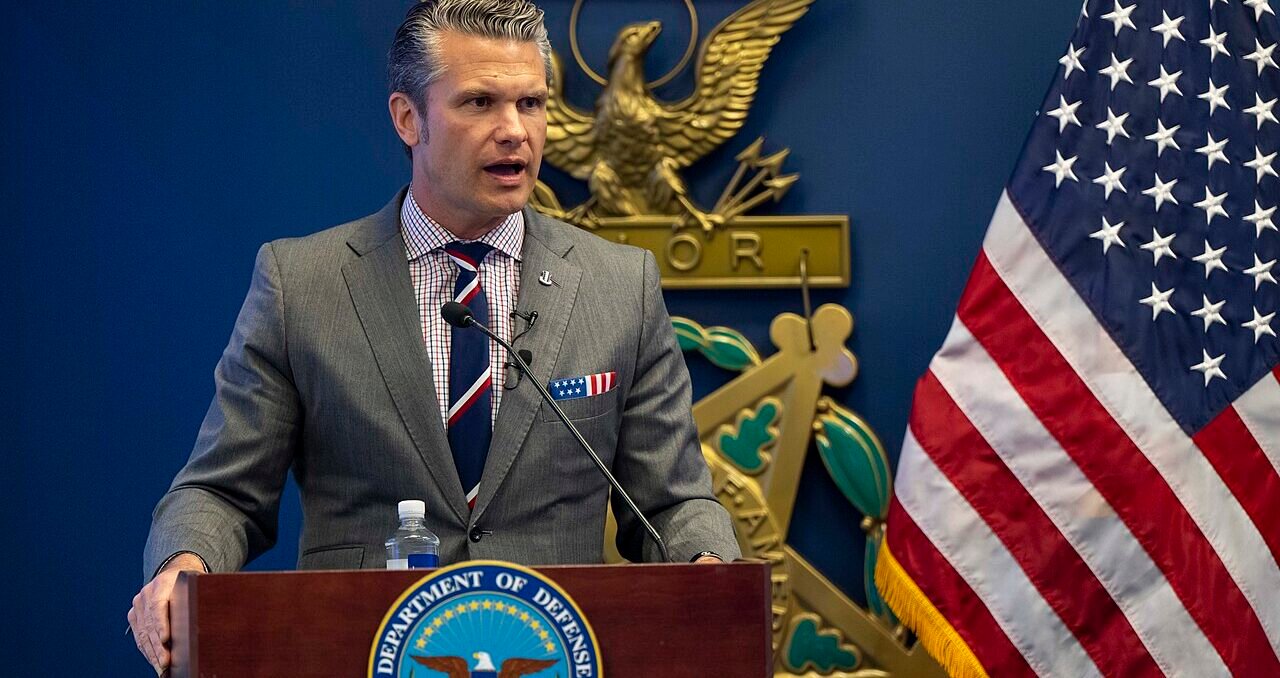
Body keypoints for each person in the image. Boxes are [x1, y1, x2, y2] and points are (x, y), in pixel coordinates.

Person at [126, 0, 741, 673]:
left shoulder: (619, 286)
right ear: (407, 118)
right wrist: (183, 565)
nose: (515, 132)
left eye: (532, 104)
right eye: (479, 103)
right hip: (359, 653)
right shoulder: (303, 285)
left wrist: (708, 565)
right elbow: (221, 491)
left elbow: (673, 500)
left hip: (552, 654)